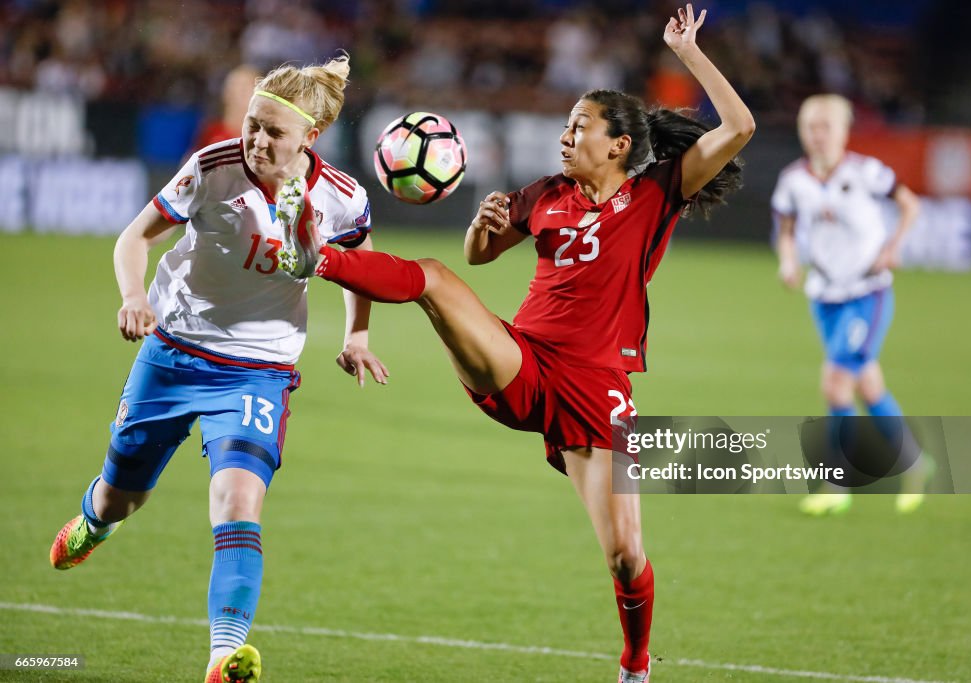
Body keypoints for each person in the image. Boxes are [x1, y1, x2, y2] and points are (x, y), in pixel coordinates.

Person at [278, 6, 752, 681]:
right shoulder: (547, 195)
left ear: (619, 144)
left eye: (579, 127)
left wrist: (688, 54)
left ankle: (636, 665)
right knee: (436, 278)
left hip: (598, 391)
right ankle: (313, 256)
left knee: (625, 553)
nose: (566, 137)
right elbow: (477, 258)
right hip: (521, 362)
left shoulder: (656, 194)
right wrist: (481, 224)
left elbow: (740, 126)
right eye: (563, 126)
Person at [48, 54, 386, 683]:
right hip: (175, 350)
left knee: (236, 503)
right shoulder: (213, 167)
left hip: (259, 369)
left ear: (310, 138)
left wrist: (357, 333)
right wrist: (133, 297)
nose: (256, 139)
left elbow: (359, 258)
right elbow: (135, 236)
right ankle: (96, 521)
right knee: (123, 495)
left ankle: (224, 656)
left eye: (273, 131)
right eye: (253, 124)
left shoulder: (341, 197)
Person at [771, 93, 931, 516]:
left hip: (868, 293)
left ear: (843, 132)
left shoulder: (866, 172)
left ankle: (835, 484)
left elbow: (909, 203)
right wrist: (789, 262)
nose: (818, 136)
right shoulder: (794, 180)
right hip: (824, 297)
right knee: (868, 385)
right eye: (811, 127)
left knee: (836, 383)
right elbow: (787, 229)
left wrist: (894, 247)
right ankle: (916, 464)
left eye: (827, 127)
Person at [193, 64, 262, 150]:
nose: (244, 92)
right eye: (239, 85)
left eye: (250, 85)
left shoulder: (264, 137)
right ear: (226, 93)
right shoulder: (211, 132)